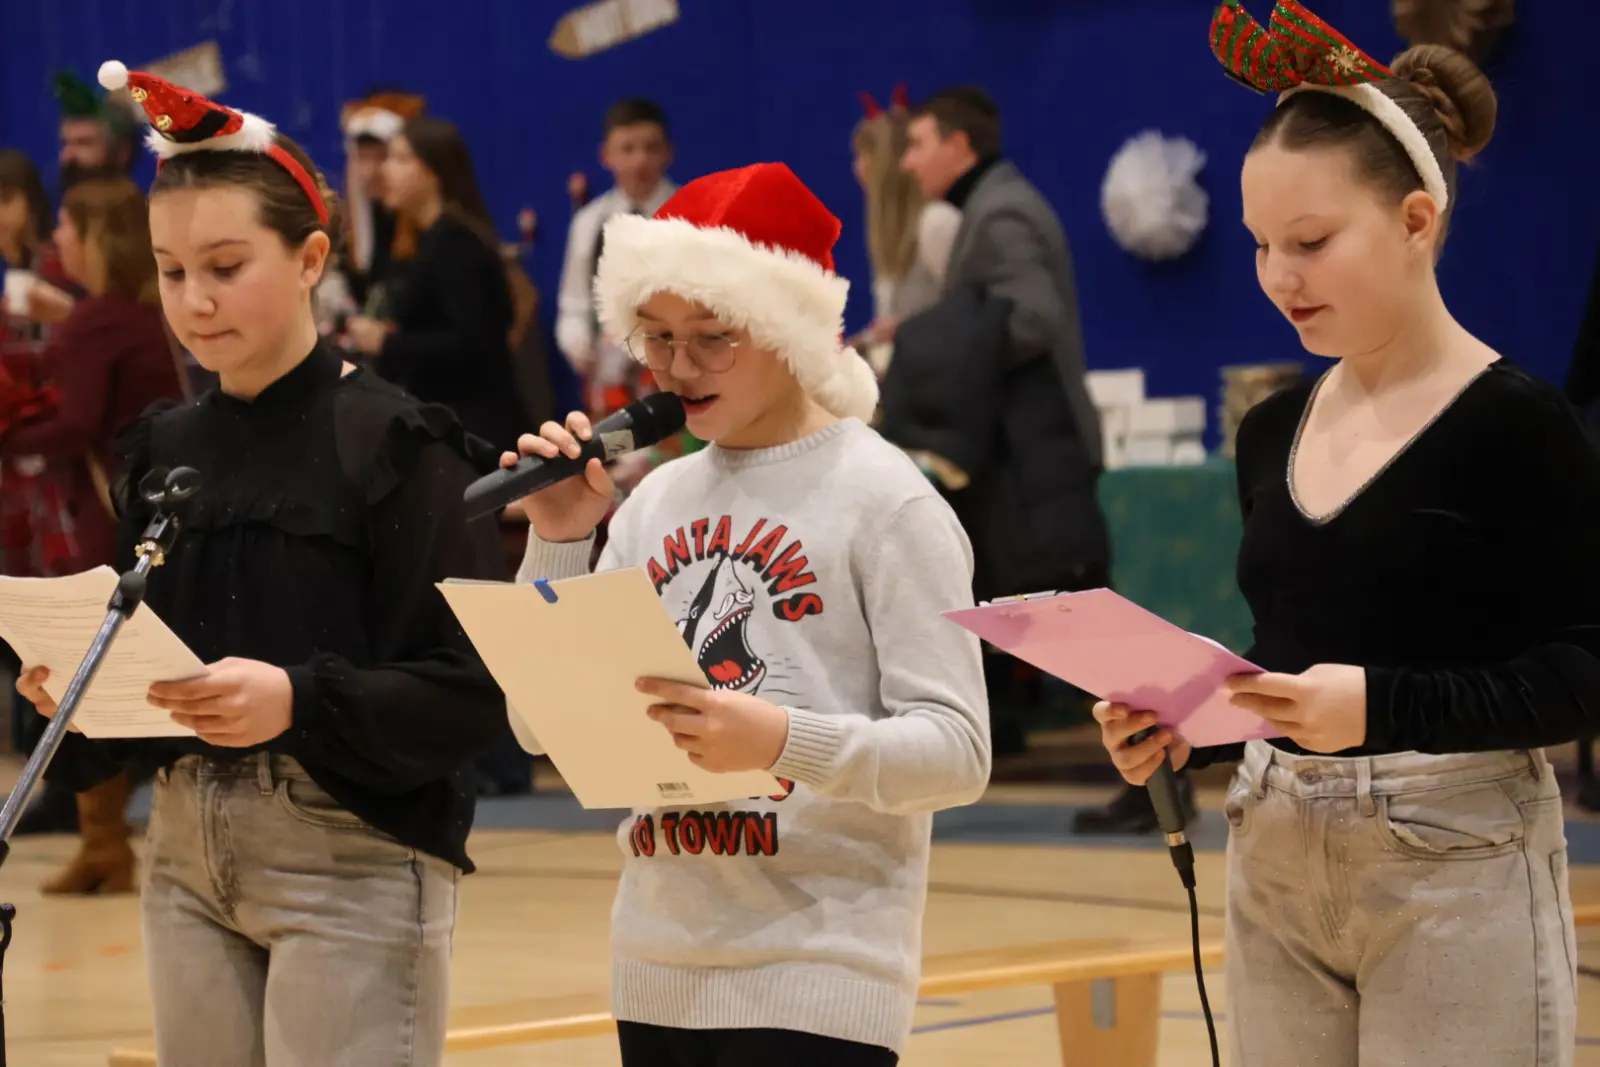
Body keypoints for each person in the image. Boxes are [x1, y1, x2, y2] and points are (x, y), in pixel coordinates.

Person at [1096, 4, 1598, 1064]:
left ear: (1417, 220)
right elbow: (1293, 644)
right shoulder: (1271, 425)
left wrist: (1379, 703)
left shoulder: (1516, 423)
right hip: (1272, 839)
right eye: (1261, 246)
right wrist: (1193, 717)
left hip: (1454, 854)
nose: (1280, 277)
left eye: (1312, 242)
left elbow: (1582, 669)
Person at [21, 60, 510, 1067]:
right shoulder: (162, 445)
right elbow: (147, 679)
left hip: (351, 858)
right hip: (184, 853)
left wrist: (296, 696)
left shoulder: (395, 442)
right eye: (170, 270)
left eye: (226, 265)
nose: (195, 301)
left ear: (310, 257)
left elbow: (467, 695)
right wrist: (78, 697)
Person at [505, 162, 991, 1067]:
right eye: (655, 339)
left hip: (822, 973)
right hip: (657, 964)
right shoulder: (652, 503)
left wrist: (778, 740)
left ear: (788, 328)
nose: (678, 369)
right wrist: (563, 542)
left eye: (713, 338)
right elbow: (539, 729)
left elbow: (958, 751)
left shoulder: (885, 500)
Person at [7, 177, 186, 894]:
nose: (56, 243)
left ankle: (106, 845)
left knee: (81, 668)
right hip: (153, 506)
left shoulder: (99, 320)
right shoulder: (138, 314)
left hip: (107, 513)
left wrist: (8, 433)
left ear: (96, 239)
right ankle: (105, 844)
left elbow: (75, 424)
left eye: (67, 231)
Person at [344, 116, 526, 452]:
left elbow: (474, 343)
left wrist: (387, 343)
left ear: (433, 171)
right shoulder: (427, 239)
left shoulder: (455, 242)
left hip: (478, 431)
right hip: (452, 423)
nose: (385, 170)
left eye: (400, 159)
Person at [554, 98, 677, 419]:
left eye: (651, 148)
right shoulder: (590, 223)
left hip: (676, 373)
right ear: (607, 156)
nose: (640, 161)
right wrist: (575, 339)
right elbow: (575, 301)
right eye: (628, 149)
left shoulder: (690, 216)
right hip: (609, 376)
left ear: (668, 152)